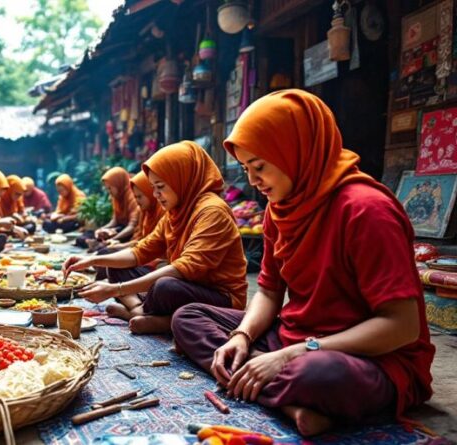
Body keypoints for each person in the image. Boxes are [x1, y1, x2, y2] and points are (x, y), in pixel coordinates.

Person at [171, 90, 435, 436]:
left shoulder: (366, 210)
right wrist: (242, 336)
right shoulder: (279, 210)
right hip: (295, 336)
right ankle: (290, 404)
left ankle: (273, 387)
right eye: (247, 168)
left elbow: (401, 327)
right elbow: (267, 291)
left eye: (260, 167)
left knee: (319, 376)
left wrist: (292, 354)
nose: (252, 181)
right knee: (188, 319)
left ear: (294, 151)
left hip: (369, 357)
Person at [63, 142, 247, 334]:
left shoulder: (212, 211)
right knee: (117, 267)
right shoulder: (176, 211)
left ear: (181, 179)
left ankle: (153, 317)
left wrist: (115, 290)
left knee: (165, 286)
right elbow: (140, 251)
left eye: (160, 187)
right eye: (153, 188)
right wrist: (91, 260)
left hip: (220, 297)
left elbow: (184, 268)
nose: (156, 195)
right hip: (186, 286)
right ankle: (140, 311)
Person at [76, 167, 140, 249]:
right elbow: (114, 221)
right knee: (82, 238)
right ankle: (96, 244)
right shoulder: (116, 197)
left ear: (119, 184)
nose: (108, 191)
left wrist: (113, 239)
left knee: (104, 249)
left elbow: (132, 227)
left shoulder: (133, 197)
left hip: (128, 232)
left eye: (110, 188)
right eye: (107, 188)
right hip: (118, 229)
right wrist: (101, 229)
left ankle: (99, 245)